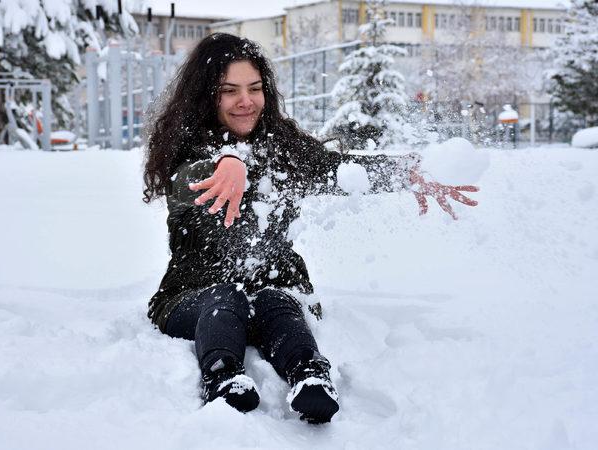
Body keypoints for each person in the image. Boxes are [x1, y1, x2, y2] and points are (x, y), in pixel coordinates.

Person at [142, 33, 478, 424]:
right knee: (226, 297)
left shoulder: (282, 146)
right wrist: (228, 163)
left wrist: (409, 173)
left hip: (271, 286)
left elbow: (342, 170)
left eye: (254, 88)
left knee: (278, 301)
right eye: (229, 90)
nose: (245, 101)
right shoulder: (189, 150)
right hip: (194, 299)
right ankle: (224, 378)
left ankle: (310, 377)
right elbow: (188, 179)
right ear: (206, 96)